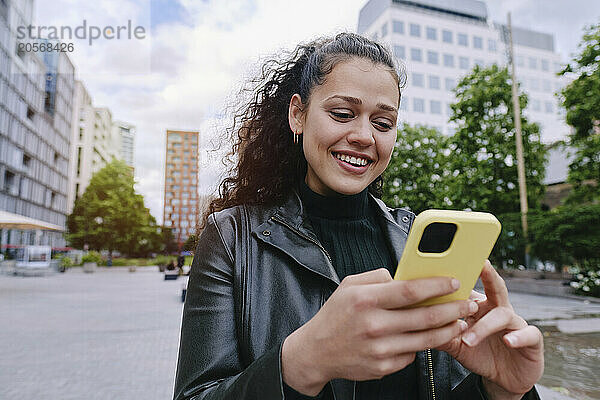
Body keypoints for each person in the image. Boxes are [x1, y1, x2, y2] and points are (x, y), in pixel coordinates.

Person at [173, 33, 543, 400]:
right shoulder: (232, 237)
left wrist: (502, 389)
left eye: (383, 123)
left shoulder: (418, 237)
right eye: (342, 114)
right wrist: (302, 362)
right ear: (297, 115)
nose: (364, 135)